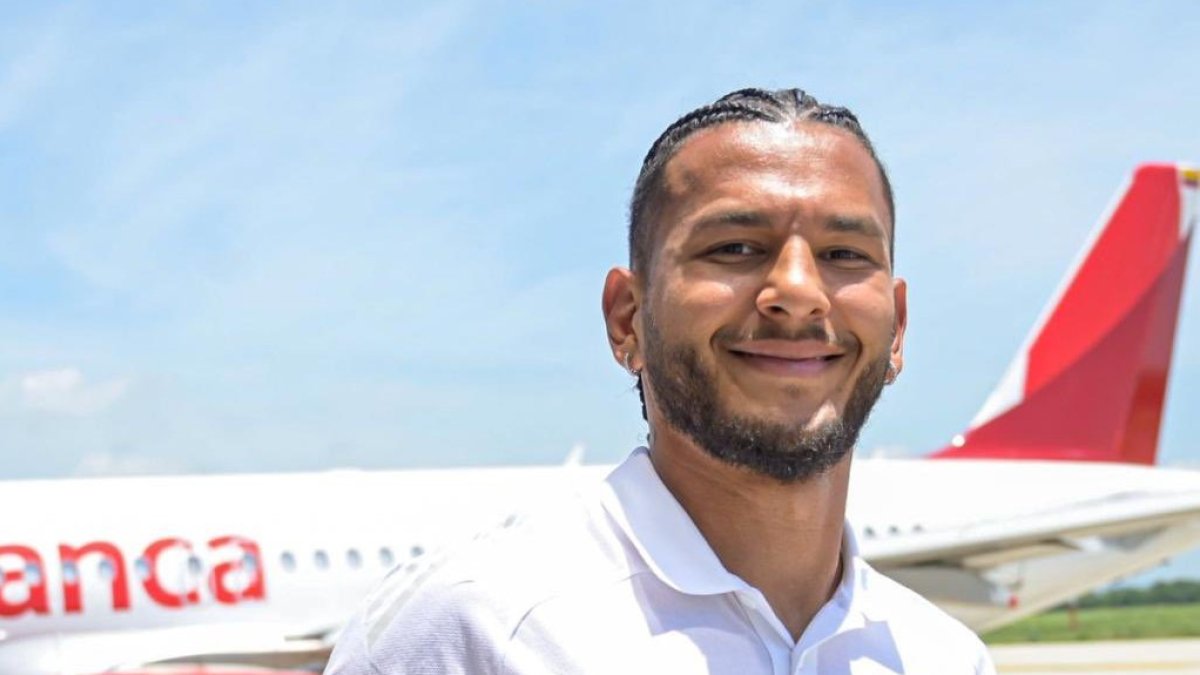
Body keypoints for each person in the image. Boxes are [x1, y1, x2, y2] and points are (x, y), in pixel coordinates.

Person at [326, 88, 996, 674]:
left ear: (898, 327)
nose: (797, 291)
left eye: (844, 254)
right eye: (735, 247)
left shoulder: (943, 655)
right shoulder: (476, 630)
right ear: (627, 318)